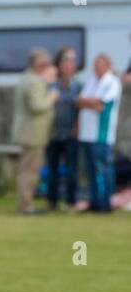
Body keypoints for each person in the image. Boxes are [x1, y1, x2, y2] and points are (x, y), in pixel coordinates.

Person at [11, 48, 57, 215]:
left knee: (27, 170)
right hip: (33, 134)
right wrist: (51, 98)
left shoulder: (27, 78)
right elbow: (37, 106)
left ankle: (25, 204)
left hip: (29, 133)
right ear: (38, 65)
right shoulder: (33, 81)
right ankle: (26, 205)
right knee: (30, 171)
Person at [75, 52, 121, 213]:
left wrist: (88, 102)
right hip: (87, 134)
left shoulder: (112, 82)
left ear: (108, 65)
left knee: (102, 169)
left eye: (100, 64)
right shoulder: (91, 81)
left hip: (101, 135)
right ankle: (94, 202)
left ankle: (105, 203)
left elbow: (102, 105)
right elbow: (79, 102)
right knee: (90, 170)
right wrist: (90, 102)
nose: (96, 67)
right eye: (95, 64)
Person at [45, 47, 83, 211]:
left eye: (71, 62)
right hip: (53, 134)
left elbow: (81, 109)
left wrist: (77, 127)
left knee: (71, 171)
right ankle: (52, 201)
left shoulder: (79, 86)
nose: (68, 65)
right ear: (59, 65)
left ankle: (71, 201)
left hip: (70, 134)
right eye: (65, 61)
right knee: (52, 170)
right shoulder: (51, 85)